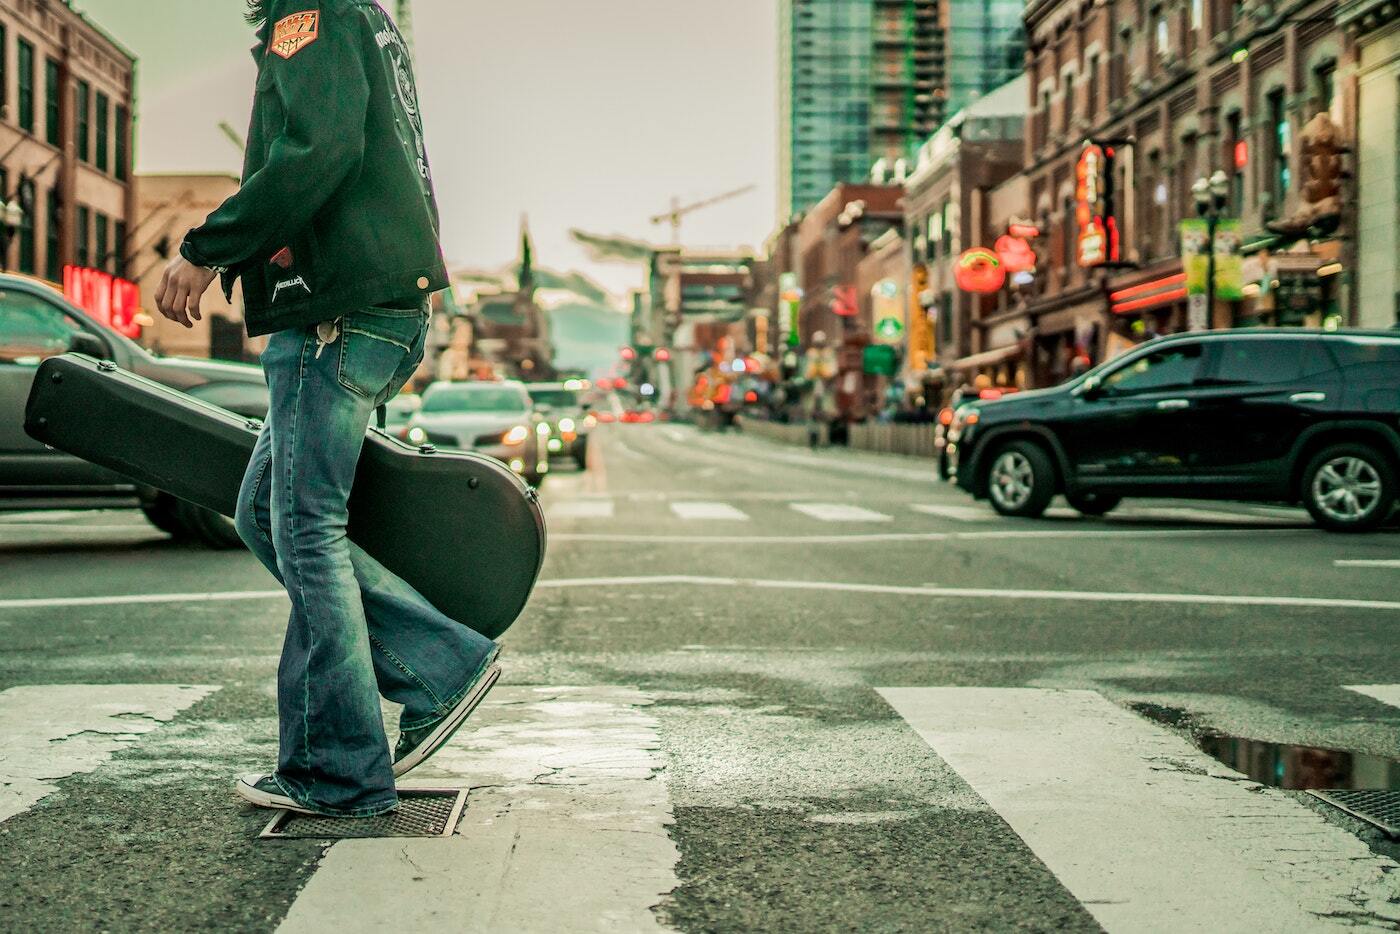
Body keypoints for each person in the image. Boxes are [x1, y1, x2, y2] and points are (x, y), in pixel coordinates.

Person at [155, 0, 500, 818]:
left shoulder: (308, 15)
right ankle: (438, 666)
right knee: (267, 514)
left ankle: (336, 767)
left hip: (334, 314)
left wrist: (207, 248)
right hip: (373, 306)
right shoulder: (364, 18)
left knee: (304, 526)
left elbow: (322, 148)